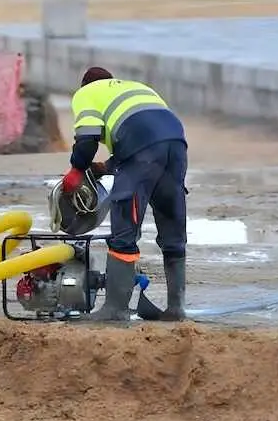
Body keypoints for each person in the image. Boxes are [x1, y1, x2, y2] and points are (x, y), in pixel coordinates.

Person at [60, 66, 188, 322]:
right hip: (175, 141)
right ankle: (176, 307)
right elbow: (143, 140)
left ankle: (115, 309)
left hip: (141, 146)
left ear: (85, 85)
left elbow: (87, 139)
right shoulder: (137, 88)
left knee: (124, 226)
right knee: (171, 218)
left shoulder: (86, 94)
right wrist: (105, 168)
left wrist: (76, 170)